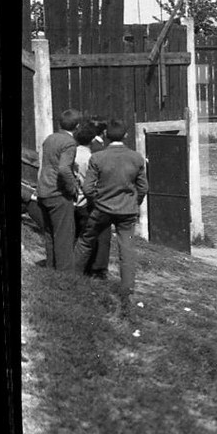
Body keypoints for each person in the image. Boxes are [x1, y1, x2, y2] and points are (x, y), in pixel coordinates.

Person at [74, 119, 148, 299]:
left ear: (105, 135)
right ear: (126, 135)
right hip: (127, 212)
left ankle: (72, 278)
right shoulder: (136, 158)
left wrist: (96, 201)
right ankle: (127, 289)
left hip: (102, 209)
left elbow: (88, 188)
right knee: (127, 248)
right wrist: (134, 203)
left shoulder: (97, 157)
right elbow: (143, 187)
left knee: (86, 241)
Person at [37, 109, 82, 270]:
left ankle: (51, 270)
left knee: (50, 235)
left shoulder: (49, 139)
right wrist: (72, 189)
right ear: (77, 126)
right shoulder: (69, 143)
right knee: (64, 236)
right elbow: (63, 169)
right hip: (58, 194)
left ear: (59, 123)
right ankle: (65, 276)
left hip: (44, 190)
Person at [73, 122, 113, 278]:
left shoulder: (71, 153)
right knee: (95, 236)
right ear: (92, 139)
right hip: (87, 201)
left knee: (78, 236)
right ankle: (94, 269)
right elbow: (91, 183)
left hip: (73, 201)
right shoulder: (92, 158)